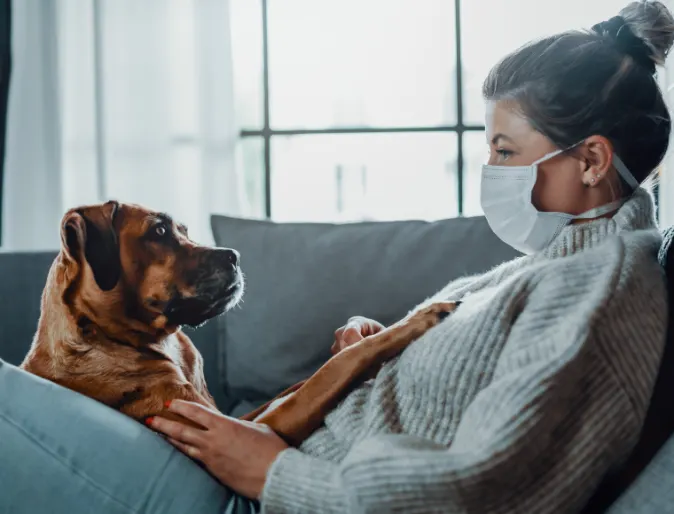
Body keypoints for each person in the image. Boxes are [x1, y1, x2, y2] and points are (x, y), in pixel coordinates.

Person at [1, 1, 673, 512]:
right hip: (251, 468)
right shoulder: (559, 262)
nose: (488, 168)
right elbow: (473, 385)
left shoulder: (598, 291)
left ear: (590, 159)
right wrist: (391, 357)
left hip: (249, 499)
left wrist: (275, 475)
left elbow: (482, 484)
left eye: (504, 151)